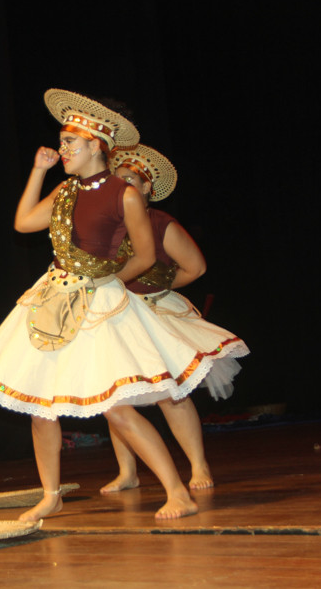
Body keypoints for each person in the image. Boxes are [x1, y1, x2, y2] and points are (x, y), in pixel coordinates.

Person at [0, 89, 234, 522]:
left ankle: (177, 491)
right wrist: (38, 172)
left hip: (98, 302)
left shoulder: (123, 195)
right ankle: (51, 494)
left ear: (96, 144)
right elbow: (23, 222)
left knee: (116, 407)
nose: (62, 149)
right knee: (41, 406)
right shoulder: (65, 190)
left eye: (69, 142)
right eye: (61, 141)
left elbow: (145, 257)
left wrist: (103, 284)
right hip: (53, 297)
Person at [102, 144, 247, 493]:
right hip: (117, 315)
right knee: (115, 394)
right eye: (117, 180)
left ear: (147, 187)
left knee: (170, 392)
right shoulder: (106, 226)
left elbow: (195, 268)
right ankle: (127, 471)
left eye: (130, 180)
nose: (122, 186)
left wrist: (155, 284)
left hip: (155, 312)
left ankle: (198, 464)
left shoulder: (160, 223)